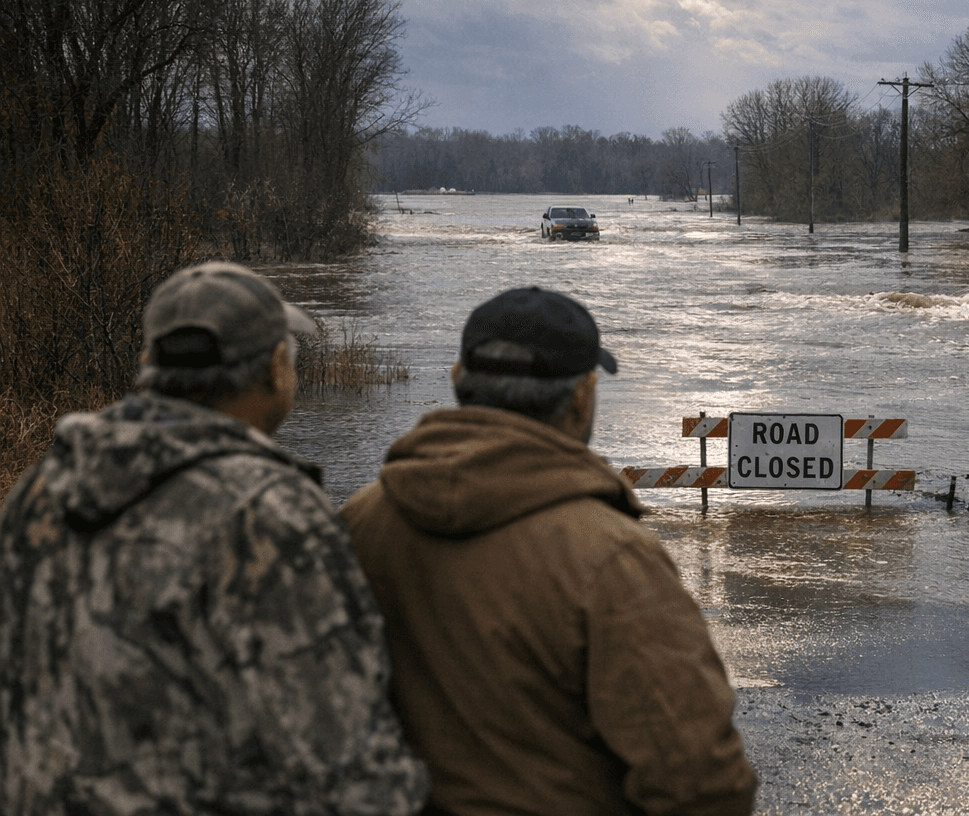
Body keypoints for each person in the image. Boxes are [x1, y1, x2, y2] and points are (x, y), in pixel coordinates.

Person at [0, 261, 429, 815]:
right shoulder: (265, 513)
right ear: (278, 368)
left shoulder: (47, 484)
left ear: (149, 363)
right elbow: (350, 765)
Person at [341, 286, 757, 816]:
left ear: (456, 378)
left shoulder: (359, 521)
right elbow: (701, 782)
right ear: (583, 395)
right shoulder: (611, 557)